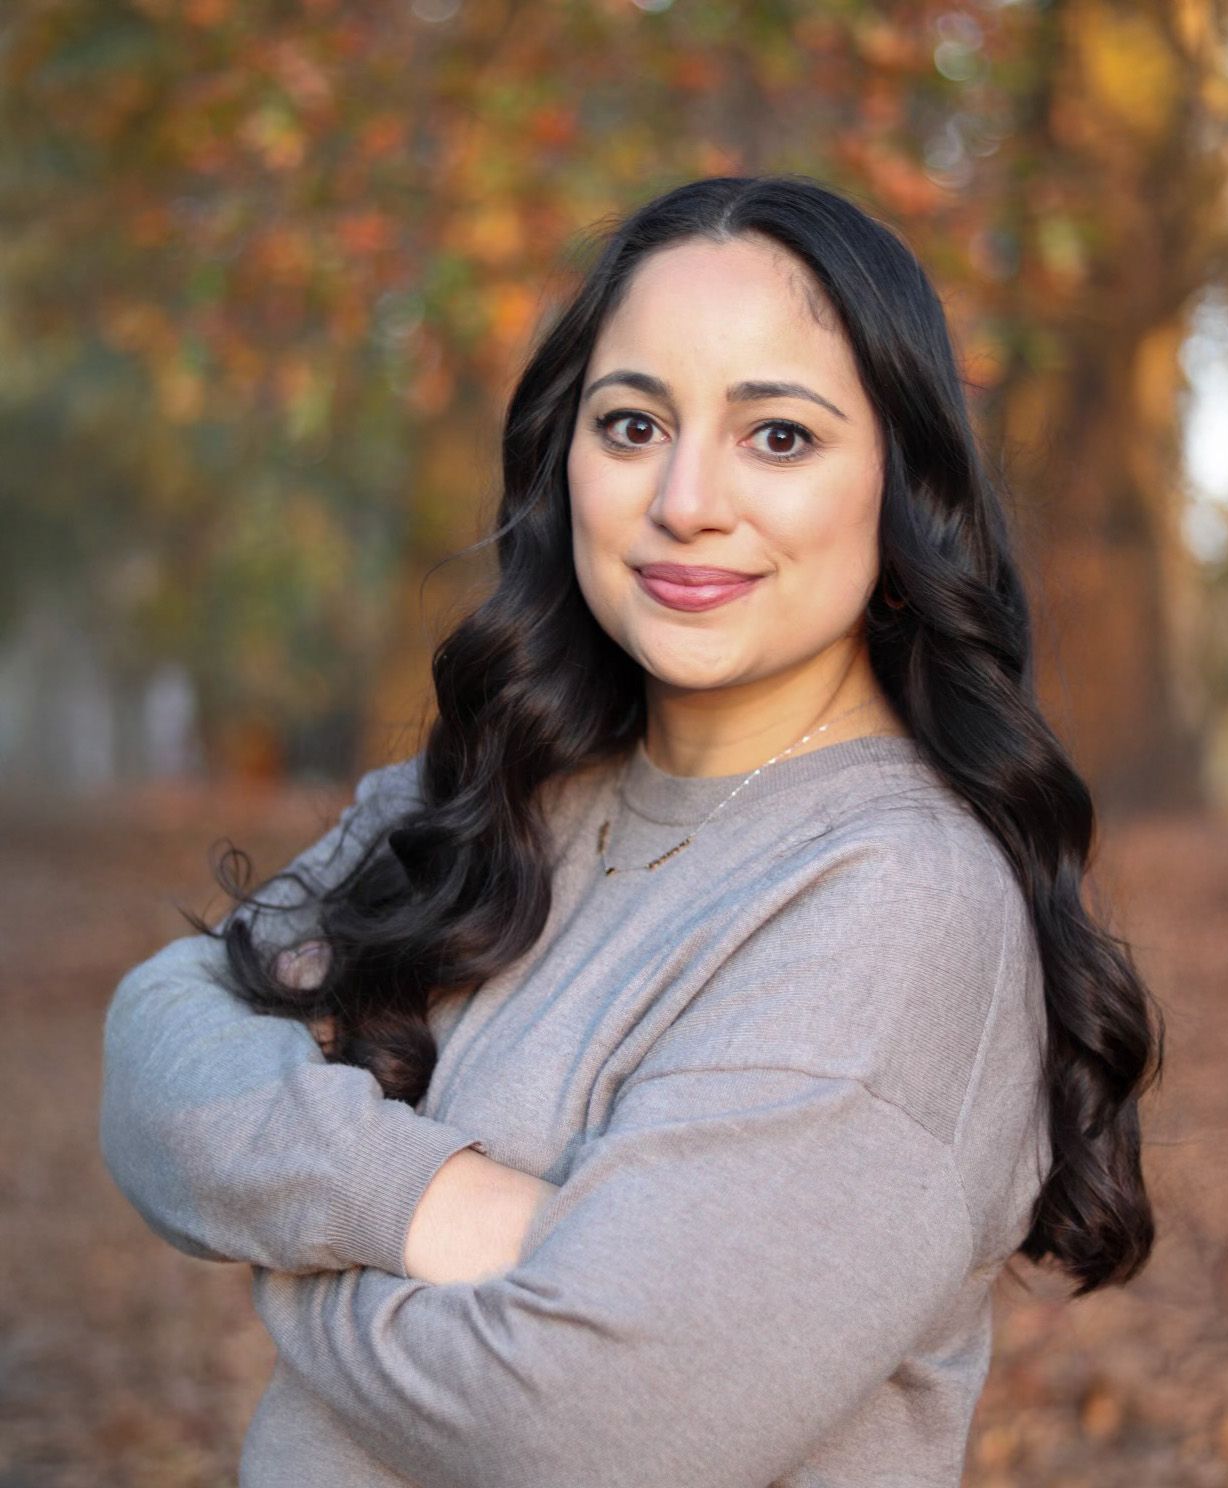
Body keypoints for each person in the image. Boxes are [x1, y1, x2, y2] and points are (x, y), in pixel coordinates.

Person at [99, 174, 1164, 1488]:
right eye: (633, 424)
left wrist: (281, 1244)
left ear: (898, 493)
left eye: (779, 437)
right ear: (568, 457)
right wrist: (429, 1204)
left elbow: (588, 1424)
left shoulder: (898, 905)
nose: (685, 500)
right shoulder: (496, 789)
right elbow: (158, 1038)